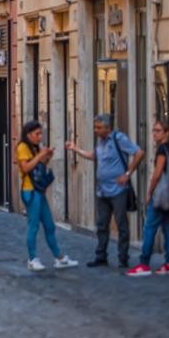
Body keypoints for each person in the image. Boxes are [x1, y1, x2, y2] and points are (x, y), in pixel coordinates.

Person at [66, 113, 144, 268]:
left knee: (121, 225)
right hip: (102, 190)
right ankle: (101, 257)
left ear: (108, 128)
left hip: (118, 190)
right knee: (101, 224)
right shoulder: (100, 141)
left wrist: (127, 174)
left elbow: (139, 153)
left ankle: (123, 258)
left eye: (99, 127)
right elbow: (95, 156)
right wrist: (76, 149)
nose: (96, 130)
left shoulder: (119, 138)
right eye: (95, 127)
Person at [15, 120, 78, 271]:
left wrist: (47, 156)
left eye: (41, 133)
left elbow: (40, 167)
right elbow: (26, 168)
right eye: (37, 134)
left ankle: (59, 258)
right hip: (29, 191)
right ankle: (32, 259)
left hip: (38, 191)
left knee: (49, 225)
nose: (40, 136)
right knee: (33, 226)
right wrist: (40, 156)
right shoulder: (23, 147)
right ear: (28, 134)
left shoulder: (36, 147)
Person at [127, 120, 169, 276]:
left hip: (160, 197)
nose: (155, 133)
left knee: (149, 228)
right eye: (154, 130)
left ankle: (144, 264)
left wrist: (149, 192)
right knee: (167, 228)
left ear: (167, 132)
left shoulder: (162, 150)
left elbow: (157, 174)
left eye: (159, 130)